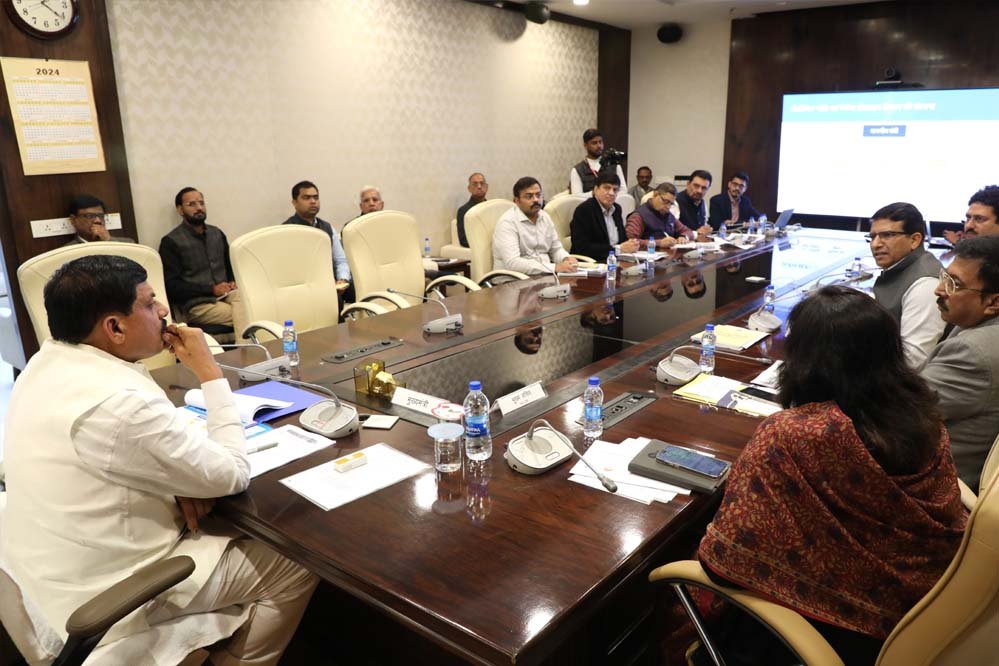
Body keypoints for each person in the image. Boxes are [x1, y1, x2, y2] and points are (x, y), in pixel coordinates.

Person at [0, 255, 317, 664]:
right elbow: (234, 473)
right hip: (106, 594)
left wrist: (178, 481)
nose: (165, 310)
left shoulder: (46, 364)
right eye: (150, 304)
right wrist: (209, 372)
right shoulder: (118, 405)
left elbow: (129, 449)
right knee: (296, 561)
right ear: (114, 328)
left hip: (46, 572)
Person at [697, 286, 966, 665]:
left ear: (803, 357)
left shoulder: (790, 435)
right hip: (924, 614)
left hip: (821, 636)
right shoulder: (924, 418)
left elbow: (723, 565)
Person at [921, 235, 999, 489]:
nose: (939, 289)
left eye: (954, 284)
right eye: (945, 277)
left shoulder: (973, 353)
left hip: (937, 485)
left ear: (993, 302)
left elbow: (899, 410)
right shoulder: (974, 324)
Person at [867, 202, 944, 369]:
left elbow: (913, 359)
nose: (875, 244)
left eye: (887, 235)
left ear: (915, 240)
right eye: (872, 237)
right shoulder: (902, 267)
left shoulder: (925, 284)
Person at [159, 187, 239, 331]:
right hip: (197, 304)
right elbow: (172, 286)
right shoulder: (171, 241)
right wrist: (211, 289)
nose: (199, 208)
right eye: (192, 204)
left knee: (255, 304)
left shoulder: (216, 233)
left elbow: (229, 265)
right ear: (180, 210)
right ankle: (249, 345)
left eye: (201, 203)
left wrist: (233, 281)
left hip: (227, 294)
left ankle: (249, 343)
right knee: (244, 313)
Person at [282, 180, 352, 300]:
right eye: (306, 198)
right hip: (301, 291)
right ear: (294, 202)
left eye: (316, 197)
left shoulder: (327, 227)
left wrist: (342, 279)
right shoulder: (285, 231)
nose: (313, 201)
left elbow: (340, 260)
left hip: (330, 287)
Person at [493, 177, 576, 275]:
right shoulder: (507, 223)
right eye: (529, 196)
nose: (536, 200)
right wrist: (554, 267)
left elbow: (555, 249)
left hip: (545, 275)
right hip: (513, 279)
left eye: (538, 195)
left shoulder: (545, 217)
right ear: (516, 201)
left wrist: (566, 258)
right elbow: (513, 263)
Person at [569, 172, 640, 260]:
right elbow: (583, 248)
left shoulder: (616, 209)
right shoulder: (584, 210)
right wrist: (618, 249)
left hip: (615, 259)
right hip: (593, 262)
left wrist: (631, 244)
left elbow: (622, 239)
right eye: (607, 188)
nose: (611, 193)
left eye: (615, 190)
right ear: (596, 189)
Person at [624, 182, 695, 248]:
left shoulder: (668, 215)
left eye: (671, 203)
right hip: (648, 255)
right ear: (655, 195)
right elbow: (630, 242)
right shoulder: (638, 216)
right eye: (665, 201)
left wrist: (684, 237)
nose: (668, 207)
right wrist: (659, 243)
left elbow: (688, 231)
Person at [568, 128, 627, 195]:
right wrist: (596, 194)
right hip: (589, 201)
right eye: (594, 143)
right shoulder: (577, 170)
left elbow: (623, 190)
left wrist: (610, 195)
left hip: (612, 200)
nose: (599, 146)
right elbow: (577, 196)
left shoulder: (614, 165)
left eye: (600, 142)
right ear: (585, 145)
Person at [64, 194, 136, 245]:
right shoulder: (67, 251)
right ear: (73, 220)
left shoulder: (127, 244)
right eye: (89, 216)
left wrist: (108, 241)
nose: (97, 220)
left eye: (101, 216)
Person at [675, 170, 714, 236]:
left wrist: (706, 230)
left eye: (704, 188)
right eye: (696, 186)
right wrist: (696, 233)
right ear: (688, 184)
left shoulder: (703, 203)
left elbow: (704, 224)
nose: (699, 191)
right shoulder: (676, 202)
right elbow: (671, 231)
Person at [456, 172, 488, 248]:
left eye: (482, 183)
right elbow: (463, 240)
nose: (479, 186)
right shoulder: (463, 211)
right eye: (475, 184)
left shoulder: (492, 208)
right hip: (479, 248)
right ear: (469, 189)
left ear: (487, 187)